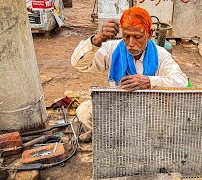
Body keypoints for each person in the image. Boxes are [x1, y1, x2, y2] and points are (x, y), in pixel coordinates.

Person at [70, 7, 188, 141]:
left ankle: (126, 135)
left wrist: (150, 82)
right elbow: (78, 64)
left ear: (149, 34)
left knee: (173, 120)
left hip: (151, 112)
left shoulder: (161, 54)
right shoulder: (113, 49)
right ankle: (115, 135)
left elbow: (182, 81)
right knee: (84, 111)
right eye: (126, 36)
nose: (131, 44)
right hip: (119, 108)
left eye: (137, 37)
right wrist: (97, 39)